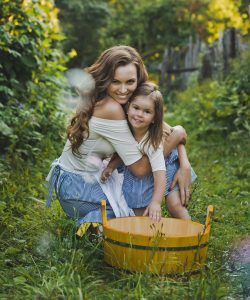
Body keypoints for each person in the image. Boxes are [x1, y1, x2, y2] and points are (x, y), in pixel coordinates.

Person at [46, 45, 187, 226]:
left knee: (156, 146)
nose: (123, 90)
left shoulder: (127, 103)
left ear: (138, 81)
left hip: (81, 177)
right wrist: (179, 134)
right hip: (78, 189)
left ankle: (173, 205)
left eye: (129, 82)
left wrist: (185, 163)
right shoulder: (111, 108)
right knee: (126, 223)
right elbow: (140, 168)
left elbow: (161, 130)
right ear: (105, 80)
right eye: (115, 82)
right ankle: (99, 223)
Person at [101, 82, 197, 222]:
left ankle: (192, 234)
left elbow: (160, 174)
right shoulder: (124, 129)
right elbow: (124, 153)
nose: (139, 114)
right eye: (136, 108)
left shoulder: (153, 142)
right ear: (128, 107)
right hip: (142, 167)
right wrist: (111, 166)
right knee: (140, 214)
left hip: (165, 165)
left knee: (175, 205)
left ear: (154, 118)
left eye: (147, 112)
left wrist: (156, 202)